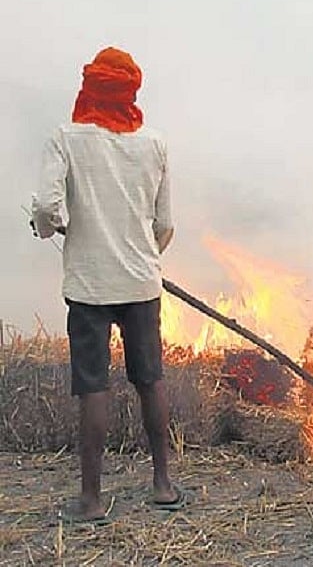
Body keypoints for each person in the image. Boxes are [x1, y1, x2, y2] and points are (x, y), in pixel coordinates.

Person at [31, 47, 186, 523]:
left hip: (89, 287)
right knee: (150, 379)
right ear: (130, 91)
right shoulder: (154, 144)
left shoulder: (66, 139)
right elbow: (164, 226)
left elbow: (47, 210)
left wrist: (47, 228)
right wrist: (139, 258)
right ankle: (162, 484)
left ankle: (92, 500)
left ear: (90, 88)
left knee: (93, 387)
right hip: (142, 283)